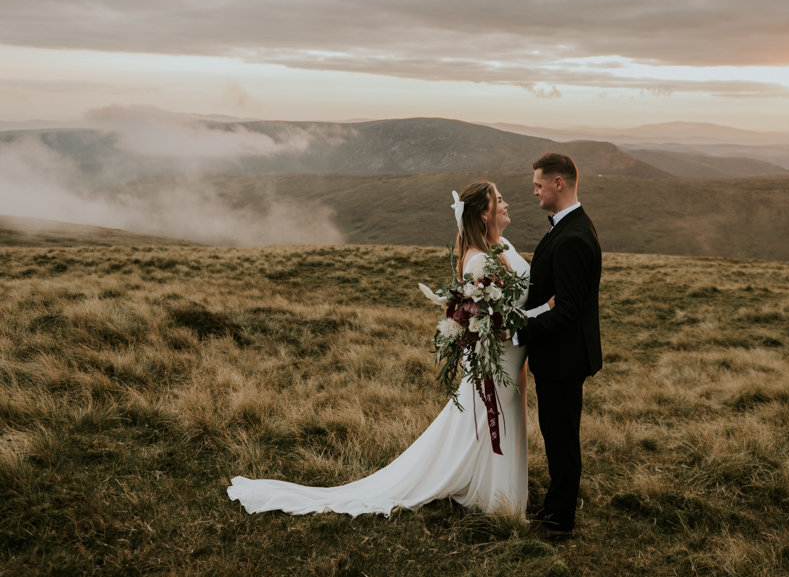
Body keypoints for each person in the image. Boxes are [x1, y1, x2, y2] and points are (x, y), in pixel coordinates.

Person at [227, 182, 546, 517]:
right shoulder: (478, 261)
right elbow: (498, 322)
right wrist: (545, 312)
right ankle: (495, 500)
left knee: (496, 423)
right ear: (484, 213)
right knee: (486, 424)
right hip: (497, 362)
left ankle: (494, 494)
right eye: (499, 200)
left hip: (511, 362)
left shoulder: (504, 246)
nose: (507, 203)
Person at [517, 152, 602, 539]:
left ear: (558, 184)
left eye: (538, 185)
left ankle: (558, 522)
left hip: (564, 359)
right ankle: (556, 506)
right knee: (556, 433)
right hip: (559, 356)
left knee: (561, 438)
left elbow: (567, 311)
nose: (534, 191)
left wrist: (520, 330)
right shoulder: (567, 227)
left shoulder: (573, 237)